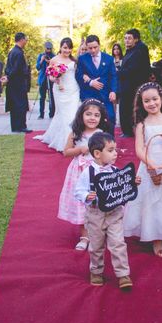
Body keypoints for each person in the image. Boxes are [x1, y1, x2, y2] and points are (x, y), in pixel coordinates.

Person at [74, 131, 137, 289]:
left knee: (118, 243)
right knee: (96, 245)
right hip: (95, 214)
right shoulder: (88, 172)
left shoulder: (115, 171)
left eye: (115, 150)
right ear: (97, 153)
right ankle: (96, 271)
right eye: (110, 150)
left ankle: (123, 274)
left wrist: (132, 182)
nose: (115, 153)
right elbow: (78, 191)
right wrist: (88, 195)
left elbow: (123, 188)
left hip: (114, 213)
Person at [124, 82, 162, 257]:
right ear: (142, 103)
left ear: (161, 99)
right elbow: (139, 149)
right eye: (147, 101)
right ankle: (156, 239)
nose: (152, 103)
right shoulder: (142, 124)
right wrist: (150, 163)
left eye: (155, 99)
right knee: (153, 202)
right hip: (150, 166)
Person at [58, 99, 111, 250]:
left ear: (101, 118)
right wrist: (79, 149)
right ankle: (85, 236)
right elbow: (66, 152)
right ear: (81, 115)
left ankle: (99, 235)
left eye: (96, 115)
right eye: (88, 114)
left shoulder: (102, 135)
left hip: (98, 172)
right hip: (80, 173)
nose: (92, 118)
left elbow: (109, 152)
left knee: (99, 203)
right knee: (83, 203)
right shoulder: (76, 133)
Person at [38, 38, 80, 151]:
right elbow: (50, 76)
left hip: (74, 90)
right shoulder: (54, 60)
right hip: (60, 90)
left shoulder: (74, 60)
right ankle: (65, 143)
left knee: (73, 114)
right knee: (64, 115)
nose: (67, 50)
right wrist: (55, 80)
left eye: (69, 48)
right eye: (65, 48)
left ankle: (74, 140)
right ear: (60, 47)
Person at [76, 35, 118, 133]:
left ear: (99, 45)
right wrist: (90, 82)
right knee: (91, 120)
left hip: (105, 95)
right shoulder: (82, 59)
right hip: (89, 95)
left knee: (110, 117)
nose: (93, 50)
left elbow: (113, 76)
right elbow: (78, 76)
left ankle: (110, 142)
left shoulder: (108, 58)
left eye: (95, 47)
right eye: (90, 48)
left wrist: (113, 91)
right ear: (87, 47)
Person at [117, 29, 151, 136]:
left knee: (132, 109)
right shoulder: (131, 50)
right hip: (128, 85)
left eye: (129, 38)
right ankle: (128, 131)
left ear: (136, 39)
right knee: (126, 109)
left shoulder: (140, 50)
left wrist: (118, 72)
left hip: (134, 86)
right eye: (125, 38)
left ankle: (131, 131)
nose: (126, 41)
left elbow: (134, 69)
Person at [3, 32, 32, 133]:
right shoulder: (19, 53)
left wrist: (7, 76)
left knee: (14, 105)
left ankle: (15, 126)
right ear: (21, 40)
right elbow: (16, 68)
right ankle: (21, 126)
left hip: (12, 83)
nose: (26, 41)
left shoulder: (12, 51)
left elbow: (8, 67)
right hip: (18, 82)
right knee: (20, 104)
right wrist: (9, 77)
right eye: (25, 39)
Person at [36, 41, 55, 119]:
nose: (49, 50)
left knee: (52, 96)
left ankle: (52, 113)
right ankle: (41, 114)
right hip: (43, 78)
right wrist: (41, 60)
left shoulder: (53, 56)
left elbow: (56, 68)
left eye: (50, 49)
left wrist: (50, 62)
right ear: (45, 48)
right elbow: (38, 67)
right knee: (42, 97)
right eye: (47, 49)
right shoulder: (41, 55)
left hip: (51, 78)